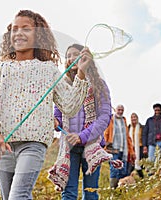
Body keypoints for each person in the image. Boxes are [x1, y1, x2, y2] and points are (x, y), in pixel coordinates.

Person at [0, 10, 94, 200]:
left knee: (18, 196)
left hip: (33, 145)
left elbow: (70, 106)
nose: (19, 33)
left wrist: (81, 73)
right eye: (14, 29)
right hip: (4, 145)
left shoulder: (48, 69)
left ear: (38, 36)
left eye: (26, 28)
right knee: (9, 197)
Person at [49, 44, 111, 200]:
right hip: (69, 147)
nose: (71, 58)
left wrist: (82, 136)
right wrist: (56, 121)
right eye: (68, 55)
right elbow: (59, 112)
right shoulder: (63, 86)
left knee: (90, 193)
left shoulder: (98, 85)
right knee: (68, 193)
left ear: (85, 59)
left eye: (76, 54)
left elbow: (104, 116)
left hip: (92, 145)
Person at [104, 104, 135, 188]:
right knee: (114, 169)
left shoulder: (124, 121)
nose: (120, 112)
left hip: (123, 150)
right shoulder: (111, 120)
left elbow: (127, 137)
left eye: (122, 110)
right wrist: (105, 147)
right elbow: (106, 133)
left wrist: (131, 151)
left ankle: (121, 189)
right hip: (113, 149)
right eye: (119, 110)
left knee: (123, 170)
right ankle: (112, 189)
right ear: (116, 110)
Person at [128, 112, 145, 178]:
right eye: (132, 117)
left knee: (139, 164)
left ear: (137, 118)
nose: (133, 119)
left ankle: (142, 178)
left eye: (135, 117)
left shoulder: (141, 127)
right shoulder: (129, 127)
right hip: (131, 148)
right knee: (131, 165)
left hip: (139, 148)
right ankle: (129, 180)